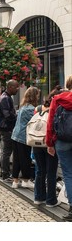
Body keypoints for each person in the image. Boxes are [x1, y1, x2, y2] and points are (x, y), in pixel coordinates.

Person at [46, 75, 72, 221]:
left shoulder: (58, 99)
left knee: (68, 174)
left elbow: (50, 123)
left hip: (62, 141)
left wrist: (49, 143)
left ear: (68, 85)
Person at [32, 86, 63, 207]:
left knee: (40, 170)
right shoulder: (57, 108)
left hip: (37, 142)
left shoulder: (38, 108)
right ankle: (51, 200)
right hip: (50, 143)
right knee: (51, 171)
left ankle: (38, 197)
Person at [11, 86, 40, 189]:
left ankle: (15, 181)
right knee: (25, 159)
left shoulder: (23, 106)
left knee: (17, 159)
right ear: (34, 96)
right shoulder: (31, 109)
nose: (38, 96)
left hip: (15, 135)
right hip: (23, 136)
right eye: (37, 95)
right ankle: (25, 180)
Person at [0, 79, 19, 181]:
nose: (17, 89)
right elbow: (7, 115)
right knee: (7, 151)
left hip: (6, 128)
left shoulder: (6, 97)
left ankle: (4, 172)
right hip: (7, 128)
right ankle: (5, 173)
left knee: (6, 151)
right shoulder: (5, 98)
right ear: (10, 87)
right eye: (16, 87)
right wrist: (16, 116)